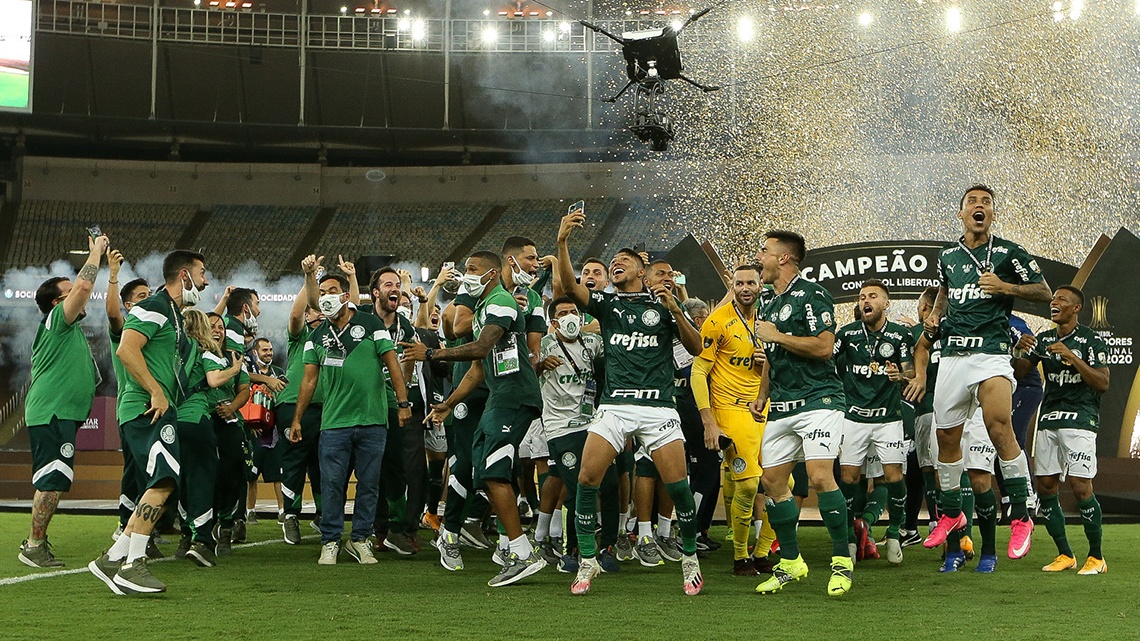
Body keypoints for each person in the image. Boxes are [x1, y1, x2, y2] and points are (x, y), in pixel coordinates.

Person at [553, 209, 705, 596]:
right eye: (612, 261)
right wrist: (562, 242)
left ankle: (689, 560)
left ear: (642, 269)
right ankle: (587, 561)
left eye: (624, 260)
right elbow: (570, 289)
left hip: (659, 410)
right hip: (615, 406)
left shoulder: (663, 306)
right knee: (587, 479)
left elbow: (696, 347)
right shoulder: (607, 304)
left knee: (679, 487)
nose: (615, 263)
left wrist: (675, 309)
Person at [922, 185, 1052, 568]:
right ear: (961, 213)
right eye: (972, 203)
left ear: (992, 214)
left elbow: (1044, 291)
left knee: (999, 425)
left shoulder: (1009, 252)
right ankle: (951, 513)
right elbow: (946, 289)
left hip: (991, 353)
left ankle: (1022, 517)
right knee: (946, 437)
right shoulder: (947, 255)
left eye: (986, 203)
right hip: (953, 355)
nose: (979, 207)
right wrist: (936, 316)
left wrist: (1005, 287)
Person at [402, 251, 547, 587]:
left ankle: (521, 551)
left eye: (472, 269)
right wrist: (448, 403)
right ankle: (513, 547)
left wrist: (433, 353)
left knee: (494, 470)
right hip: (499, 397)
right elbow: (478, 370)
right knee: (482, 470)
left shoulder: (501, 302)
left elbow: (481, 348)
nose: (466, 275)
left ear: (492, 273)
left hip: (515, 398)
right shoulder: (485, 309)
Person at [89, 249, 209, 595]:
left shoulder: (172, 314)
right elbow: (126, 349)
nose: (206, 281)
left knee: (161, 482)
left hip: (153, 408)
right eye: (201, 273)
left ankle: (113, 558)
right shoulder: (154, 306)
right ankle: (133, 566)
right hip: (147, 408)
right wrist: (157, 392)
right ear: (184, 275)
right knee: (164, 482)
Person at [750, 230, 854, 597]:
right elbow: (771, 360)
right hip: (782, 403)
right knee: (772, 483)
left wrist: (777, 336)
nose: (758, 256)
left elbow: (825, 347)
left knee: (820, 476)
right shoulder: (767, 302)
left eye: (764, 251)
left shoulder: (812, 295)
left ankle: (842, 561)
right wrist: (763, 395)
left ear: (783, 258)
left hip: (820, 400)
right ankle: (792, 563)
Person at [289, 272, 411, 565]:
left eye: (332, 290)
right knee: (333, 484)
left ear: (346, 296)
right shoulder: (315, 336)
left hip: (373, 420)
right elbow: (308, 381)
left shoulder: (371, 324)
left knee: (369, 484)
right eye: (322, 292)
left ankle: (360, 539)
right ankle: (330, 541)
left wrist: (403, 402)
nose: (326, 296)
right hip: (333, 423)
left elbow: (393, 363)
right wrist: (297, 419)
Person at [19, 233, 108, 568]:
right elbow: (85, 287)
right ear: (58, 303)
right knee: (52, 481)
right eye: (69, 294)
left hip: (59, 415)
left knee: (52, 480)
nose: (81, 298)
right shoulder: (57, 322)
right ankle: (34, 546)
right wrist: (95, 252)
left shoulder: (68, 332)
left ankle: (35, 543)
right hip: (52, 414)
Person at [1013, 285, 1110, 575]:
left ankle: (1097, 557)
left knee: (1081, 487)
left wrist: (1073, 357)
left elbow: (1103, 383)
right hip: (1049, 419)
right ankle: (1065, 554)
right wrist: (1019, 350)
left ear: (1076, 309)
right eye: (1053, 299)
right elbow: (1019, 372)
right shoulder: (1043, 340)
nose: (1054, 303)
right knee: (1045, 487)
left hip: (1081, 419)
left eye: (1061, 300)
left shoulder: (1091, 341)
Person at [690, 265, 769, 575]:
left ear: (761, 286)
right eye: (739, 283)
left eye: (751, 282)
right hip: (730, 410)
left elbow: (772, 372)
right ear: (732, 287)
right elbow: (699, 371)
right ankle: (740, 557)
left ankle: (762, 552)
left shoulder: (769, 321)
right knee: (749, 483)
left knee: (784, 484)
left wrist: (765, 365)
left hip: (763, 409)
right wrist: (709, 420)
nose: (745, 287)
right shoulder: (717, 321)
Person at [833, 279, 915, 566]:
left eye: (872, 296)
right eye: (861, 296)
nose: (865, 300)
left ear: (885, 303)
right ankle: (850, 538)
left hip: (888, 418)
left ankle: (894, 533)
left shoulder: (899, 335)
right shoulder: (846, 334)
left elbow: (910, 372)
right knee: (849, 479)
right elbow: (827, 361)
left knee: (893, 478)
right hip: (853, 417)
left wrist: (899, 376)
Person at [533, 297, 608, 571]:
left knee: (593, 485)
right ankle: (570, 550)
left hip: (591, 423)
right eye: (563, 313)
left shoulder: (591, 343)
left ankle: (587, 545)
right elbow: (526, 373)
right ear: (553, 322)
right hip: (559, 427)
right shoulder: (544, 346)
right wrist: (540, 366)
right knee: (576, 487)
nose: (569, 317)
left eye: (573, 311)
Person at [174, 310, 245, 568]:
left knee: (178, 479)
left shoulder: (173, 351)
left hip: (170, 422)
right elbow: (214, 379)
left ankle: (181, 535)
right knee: (202, 480)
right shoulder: (205, 351)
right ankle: (201, 540)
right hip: (196, 419)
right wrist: (235, 369)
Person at [360, 266, 421, 555]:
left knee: (397, 467)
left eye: (397, 284)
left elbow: (410, 355)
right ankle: (373, 529)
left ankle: (397, 528)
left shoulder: (405, 326)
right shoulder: (362, 322)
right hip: (366, 404)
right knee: (369, 468)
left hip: (394, 405)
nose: (394, 288)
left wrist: (403, 392)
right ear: (375, 293)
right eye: (388, 284)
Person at [277, 255, 325, 545]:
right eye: (314, 313)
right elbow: (296, 315)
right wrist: (309, 279)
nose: (317, 316)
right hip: (294, 404)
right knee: (294, 460)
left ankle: (323, 514)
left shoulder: (334, 336)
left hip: (326, 408)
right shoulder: (300, 335)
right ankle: (291, 515)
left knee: (324, 463)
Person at [105, 251, 151, 541]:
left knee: (150, 470)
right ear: (129, 304)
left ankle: (144, 527)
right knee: (136, 469)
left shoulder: (153, 329)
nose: (150, 299)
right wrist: (112, 274)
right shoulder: (125, 329)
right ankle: (126, 526)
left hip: (157, 406)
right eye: (143, 296)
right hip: (133, 407)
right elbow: (111, 314)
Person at [246, 337, 286, 524]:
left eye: (270, 350)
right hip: (252, 431)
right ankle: (250, 511)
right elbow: (243, 379)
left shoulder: (278, 373)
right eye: (265, 350)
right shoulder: (249, 372)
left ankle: (282, 511)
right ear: (255, 352)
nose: (269, 353)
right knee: (251, 475)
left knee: (278, 474)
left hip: (273, 431)